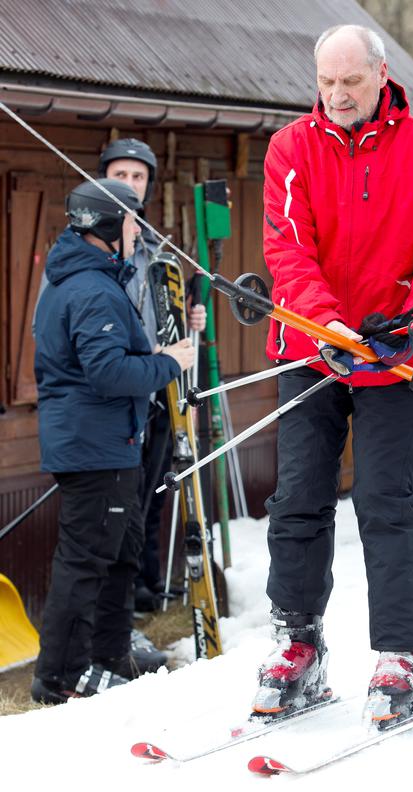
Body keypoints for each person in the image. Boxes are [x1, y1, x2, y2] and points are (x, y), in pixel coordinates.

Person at [254, 24, 413, 726]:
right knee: (297, 499)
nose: (338, 94)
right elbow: (287, 250)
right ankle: (298, 642)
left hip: (394, 355)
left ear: (381, 75)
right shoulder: (291, 147)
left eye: (351, 80)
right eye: (327, 82)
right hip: (312, 349)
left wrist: (409, 319)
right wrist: (326, 323)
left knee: (384, 502)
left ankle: (404, 652)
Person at [31, 179, 195, 704]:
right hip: (94, 445)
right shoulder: (90, 288)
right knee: (84, 564)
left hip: (111, 441)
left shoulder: (94, 278)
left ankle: (105, 655)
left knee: (117, 555)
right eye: (129, 221)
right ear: (106, 225)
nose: (136, 231)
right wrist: (170, 363)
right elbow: (106, 372)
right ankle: (60, 676)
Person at [98, 138, 206, 613]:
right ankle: (117, 596)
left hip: (159, 387)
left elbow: (168, 314)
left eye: (137, 177)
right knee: (121, 495)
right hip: (118, 389)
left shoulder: (157, 251)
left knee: (155, 490)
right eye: (120, 175)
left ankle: (143, 583)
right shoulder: (92, 245)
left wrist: (192, 320)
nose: (129, 184)